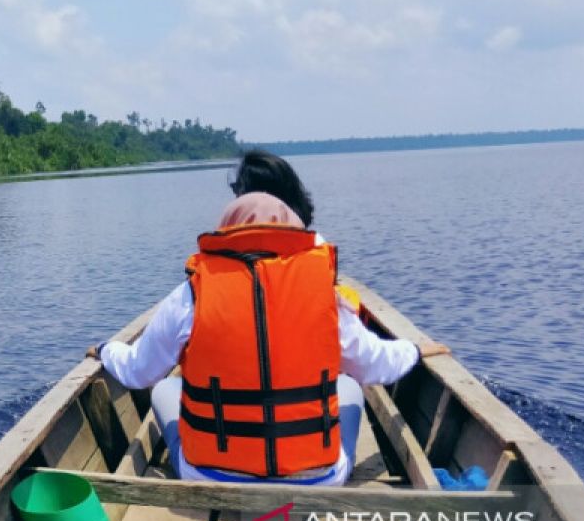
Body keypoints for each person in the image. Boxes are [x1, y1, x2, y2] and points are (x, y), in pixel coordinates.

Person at [87, 151, 448, 486]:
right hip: (315, 480)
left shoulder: (193, 291)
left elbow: (138, 371)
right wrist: (414, 351)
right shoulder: (322, 289)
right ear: (294, 226)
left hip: (212, 479)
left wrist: (107, 350)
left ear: (226, 229)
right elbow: (374, 364)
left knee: (166, 387)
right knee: (351, 386)